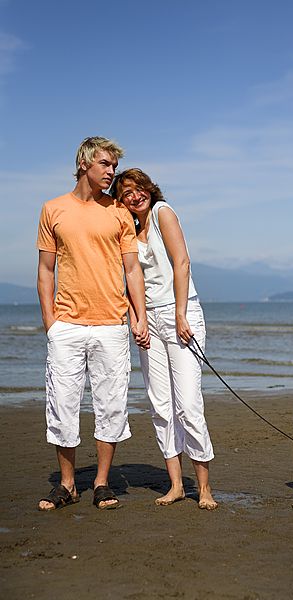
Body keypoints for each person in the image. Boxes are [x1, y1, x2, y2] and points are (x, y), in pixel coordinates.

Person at [36, 137, 149, 511]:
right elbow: (45, 270)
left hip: (111, 325)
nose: (111, 172)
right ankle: (67, 485)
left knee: (111, 405)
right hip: (66, 325)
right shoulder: (53, 209)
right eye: (105, 164)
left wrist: (140, 316)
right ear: (85, 163)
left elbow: (132, 269)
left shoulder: (118, 213)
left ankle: (101, 483)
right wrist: (51, 322)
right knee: (62, 404)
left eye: (114, 166)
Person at [110, 168, 218, 510]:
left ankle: (204, 488)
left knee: (188, 404)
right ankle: (176, 486)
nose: (134, 195)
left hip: (179, 314)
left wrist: (182, 312)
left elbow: (182, 262)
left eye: (138, 188)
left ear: (148, 188)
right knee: (160, 406)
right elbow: (127, 281)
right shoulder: (128, 228)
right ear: (121, 200)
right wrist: (136, 319)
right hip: (150, 322)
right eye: (126, 192)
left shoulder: (162, 212)